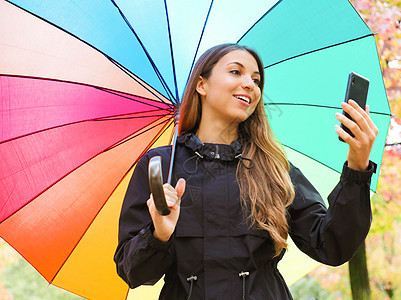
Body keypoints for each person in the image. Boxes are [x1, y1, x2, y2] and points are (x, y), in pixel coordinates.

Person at [114, 43, 378, 299]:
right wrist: (159, 233)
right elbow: (133, 273)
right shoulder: (161, 166)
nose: (250, 84)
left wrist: (357, 167)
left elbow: (332, 245)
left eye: (256, 80)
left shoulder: (274, 168)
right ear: (202, 84)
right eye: (235, 72)